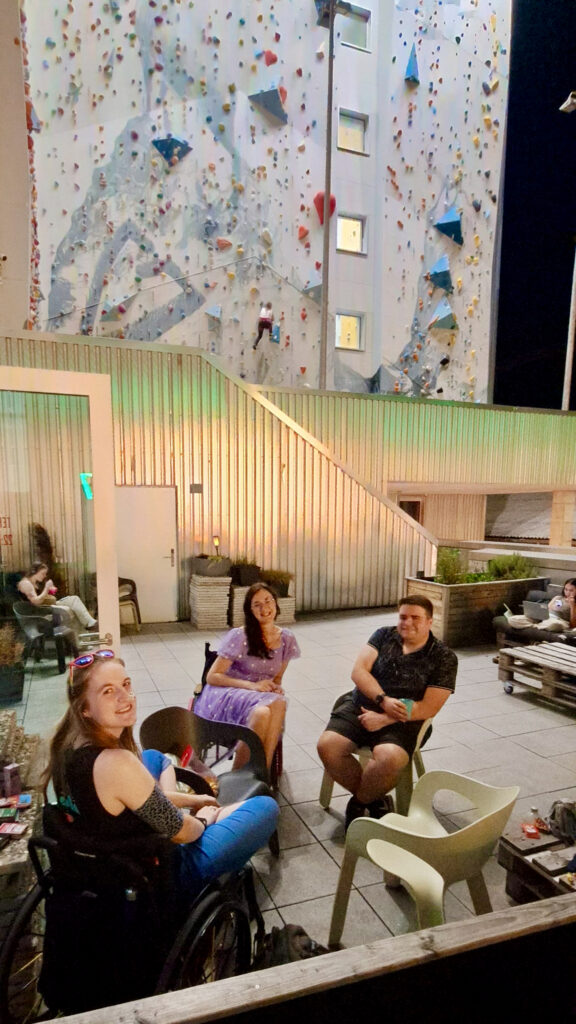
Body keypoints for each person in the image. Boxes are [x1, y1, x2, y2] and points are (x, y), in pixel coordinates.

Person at [42, 651, 279, 898]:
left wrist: (193, 800)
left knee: (153, 756)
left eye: (125, 684)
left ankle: (164, 800)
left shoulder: (67, 744)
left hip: (103, 844)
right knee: (266, 807)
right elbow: (182, 832)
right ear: (85, 709)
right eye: (108, 691)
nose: (126, 698)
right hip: (156, 871)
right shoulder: (117, 763)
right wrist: (205, 819)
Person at [317, 595, 457, 829]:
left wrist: (385, 718)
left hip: (406, 719)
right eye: (403, 616)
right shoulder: (383, 635)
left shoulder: (444, 657)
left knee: (390, 758)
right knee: (327, 746)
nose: (407, 622)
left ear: (430, 622)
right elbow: (359, 671)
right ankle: (376, 798)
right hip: (361, 705)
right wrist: (383, 701)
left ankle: (360, 801)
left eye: (416, 618)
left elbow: (429, 706)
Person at [193, 583, 300, 770]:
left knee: (274, 704)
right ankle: (243, 774)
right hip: (227, 692)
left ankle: (260, 772)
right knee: (267, 708)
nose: (264, 608)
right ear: (250, 611)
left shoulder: (287, 639)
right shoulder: (240, 636)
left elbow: (276, 678)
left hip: (260, 695)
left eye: (268, 601)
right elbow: (213, 676)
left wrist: (275, 687)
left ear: (276, 603)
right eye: (257, 604)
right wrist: (253, 686)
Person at [18, 561, 97, 635]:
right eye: (43, 573)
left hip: (47, 606)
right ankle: (90, 624)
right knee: (73, 602)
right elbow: (35, 602)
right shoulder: (26, 584)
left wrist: (50, 590)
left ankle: (85, 633)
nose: (45, 576)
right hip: (42, 611)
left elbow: (42, 596)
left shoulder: (34, 583)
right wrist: (46, 588)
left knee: (74, 604)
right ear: (34, 572)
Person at [505, 578, 576, 633]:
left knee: (554, 625)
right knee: (512, 619)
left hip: (559, 621)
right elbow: (552, 607)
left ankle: (538, 625)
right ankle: (539, 626)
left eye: (571, 590)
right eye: (566, 589)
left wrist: (572, 605)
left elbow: (573, 625)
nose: (567, 592)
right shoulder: (559, 598)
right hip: (543, 617)